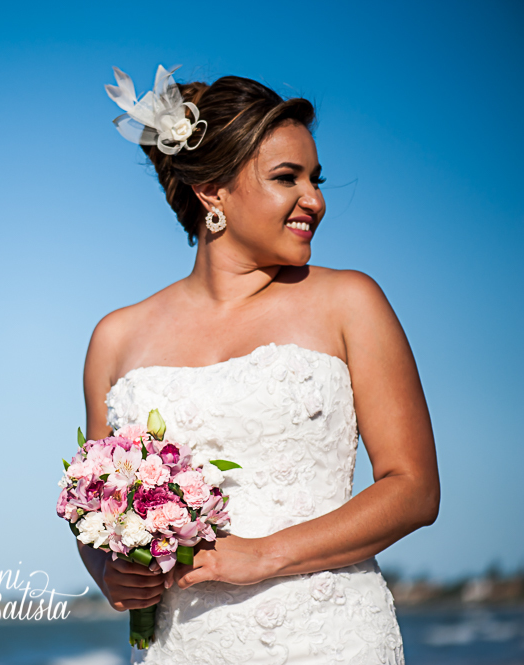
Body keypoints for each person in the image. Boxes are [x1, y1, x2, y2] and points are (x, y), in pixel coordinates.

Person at [77, 66, 439, 664]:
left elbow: (415, 489)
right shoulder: (116, 338)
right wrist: (111, 574)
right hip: (181, 645)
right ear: (212, 190)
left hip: (327, 640)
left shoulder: (350, 301)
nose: (315, 200)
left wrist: (266, 553)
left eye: (314, 179)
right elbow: (98, 512)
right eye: (286, 178)